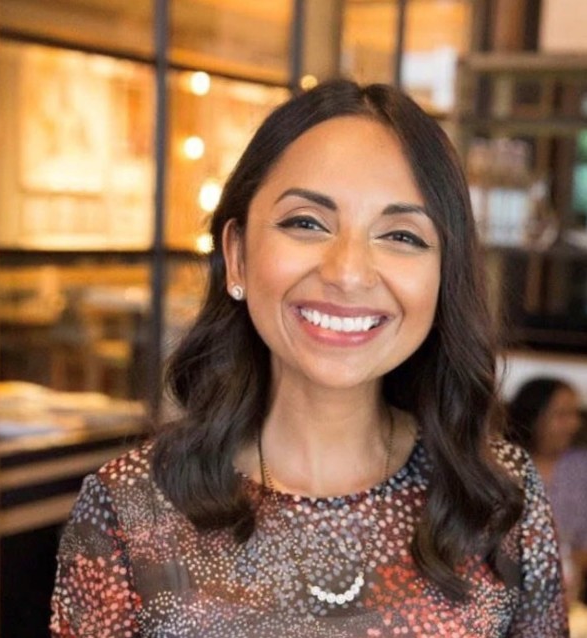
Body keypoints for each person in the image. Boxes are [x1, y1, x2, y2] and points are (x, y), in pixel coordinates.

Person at [50, 80, 568, 637]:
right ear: (236, 255)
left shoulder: (498, 501)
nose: (348, 272)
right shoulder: (131, 509)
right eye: (306, 223)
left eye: (401, 235)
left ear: (444, 277)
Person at [507, 376, 587, 603]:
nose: (574, 424)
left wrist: (565, 566)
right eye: (561, 415)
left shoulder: (581, 467)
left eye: (575, 414)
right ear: (533, 417)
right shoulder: (505, 465)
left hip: (571, 589)